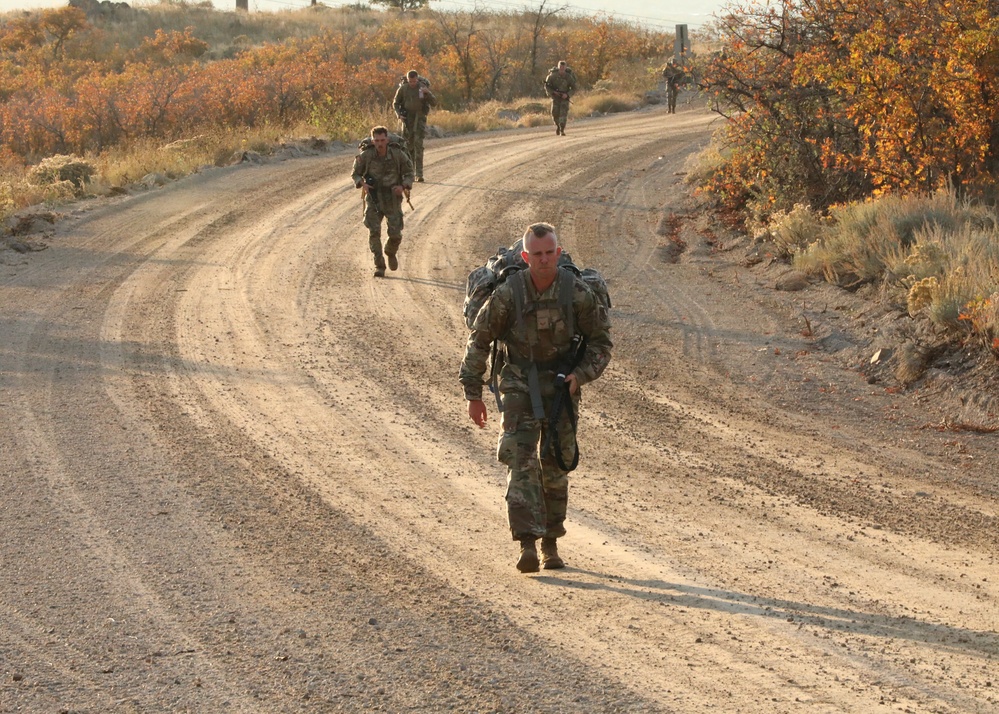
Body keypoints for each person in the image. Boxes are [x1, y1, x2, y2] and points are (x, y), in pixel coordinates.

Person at [459, 223, 612, 573]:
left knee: (556, 465)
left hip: (561, 383)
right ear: (526, 257)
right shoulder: (510, 293)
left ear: (558, 253)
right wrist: (474, 393)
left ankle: (551, 544)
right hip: (517, 379)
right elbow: (480, 340)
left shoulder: (576, 293)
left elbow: (602, 344)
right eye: (537, 254)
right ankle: (527, 542)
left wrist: (581, 375)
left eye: (549, 253)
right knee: (519, 456)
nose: (544, 260)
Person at [350, 125, 414, 278]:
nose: (380, 143)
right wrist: (362, 183)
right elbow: (355, 174)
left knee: (396, 234)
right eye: (376, 140)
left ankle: (390, 251)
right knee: (374, 231)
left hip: (392, 197)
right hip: (374, 197)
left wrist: (403, 186)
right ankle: (379, 265)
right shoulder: (366, 155)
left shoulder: (398, 154)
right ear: (372, 141)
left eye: (382, 140)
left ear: (387, 139)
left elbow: (409, 172)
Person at [393, 69, 437, 182]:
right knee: (408, 146)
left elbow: (434, 103)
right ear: (407, 80)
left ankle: (419, 173)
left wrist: (428, 93)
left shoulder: (422, 87)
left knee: (418, 145)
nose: (412, 83)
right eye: (410, 81)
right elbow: (396, 103)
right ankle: (410, 173)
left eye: (414, 81)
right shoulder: (403, 89)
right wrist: (399, 115)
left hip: (419, 119)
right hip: (407, 119)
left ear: (417, 79)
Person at [544, 61, 577, 136]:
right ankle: (558, 126)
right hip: (555, 98)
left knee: (563, 114)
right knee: (555, 114)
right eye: (560, 67)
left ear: (565, 68)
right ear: (558, 67)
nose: (562, 69)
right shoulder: (552, 76)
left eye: (563, 67)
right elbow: (547, 86)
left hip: (564, 98)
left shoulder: (569, 77)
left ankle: (562, 129)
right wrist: (553, 92)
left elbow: (574, 88)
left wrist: (567, 94)